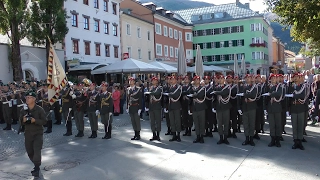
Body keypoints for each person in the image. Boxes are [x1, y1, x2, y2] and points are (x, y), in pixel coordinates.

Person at [19, 91, 47, 177]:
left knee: (37, 150)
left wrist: (35, 121)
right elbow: (20, 122)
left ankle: (37, 167)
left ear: (34, 99)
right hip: (28, 134)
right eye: (26, 97)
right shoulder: (23, 110)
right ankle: (36, 164)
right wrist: (23, 121)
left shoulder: (39, 109)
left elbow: (44, 121)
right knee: (30, 151)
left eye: (29, 97)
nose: (27, 99)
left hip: (38, 133)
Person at [190, 76, 206, 143]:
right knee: (196, 123)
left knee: (202, 122)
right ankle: (197, 136)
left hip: (201, 108)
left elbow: (201, 95)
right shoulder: (192, 88)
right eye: (195, 80)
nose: (197, 81)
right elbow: (188, 95)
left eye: (198, 80)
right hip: (194, 108)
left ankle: (202, 136)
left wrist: (194, 95)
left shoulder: (202, 88)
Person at [147, 77, 163, 141]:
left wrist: (150, 92)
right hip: (151, 107)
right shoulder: (150, 88)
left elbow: (157, 93)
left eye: (155, 80)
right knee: (152, 121)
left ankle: (158, 135)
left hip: (157, 106)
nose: (153, 81)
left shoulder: (159, 88)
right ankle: (154, 134)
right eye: (152, 80)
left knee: (158, 121)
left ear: (157, 81)